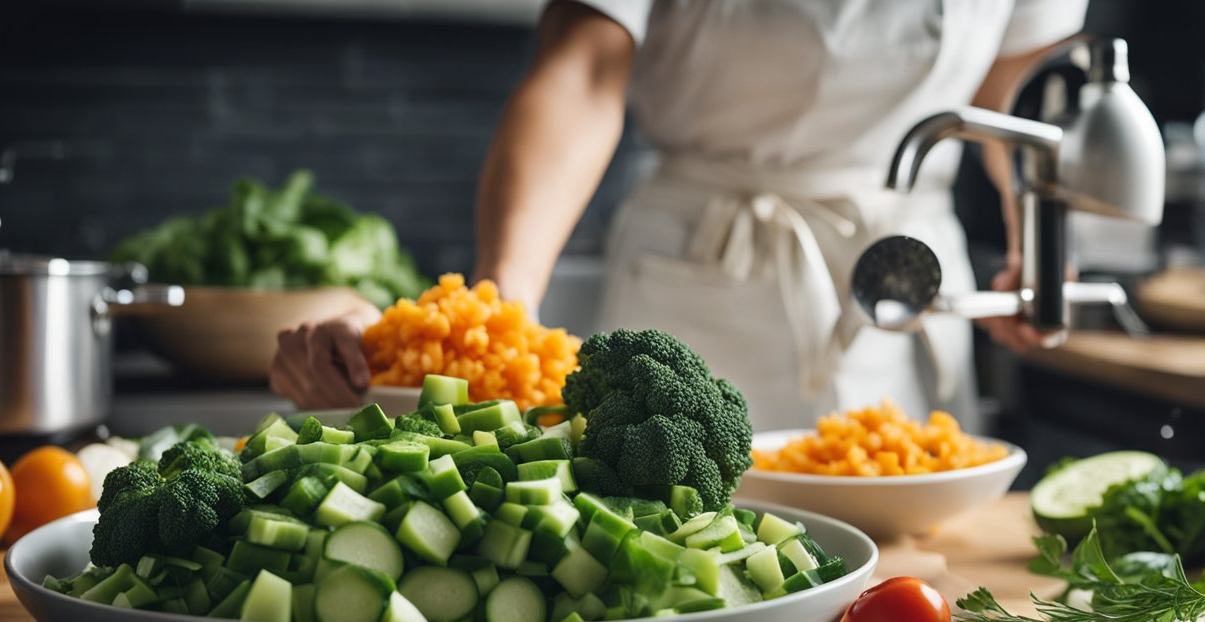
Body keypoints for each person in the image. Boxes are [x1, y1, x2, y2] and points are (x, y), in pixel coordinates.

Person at [271, 0, 1089, 430]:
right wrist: (502, 308)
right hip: (697, 271)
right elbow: (583, 72)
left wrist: (1038, 240)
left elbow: (1014, 92)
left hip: (897, 270)